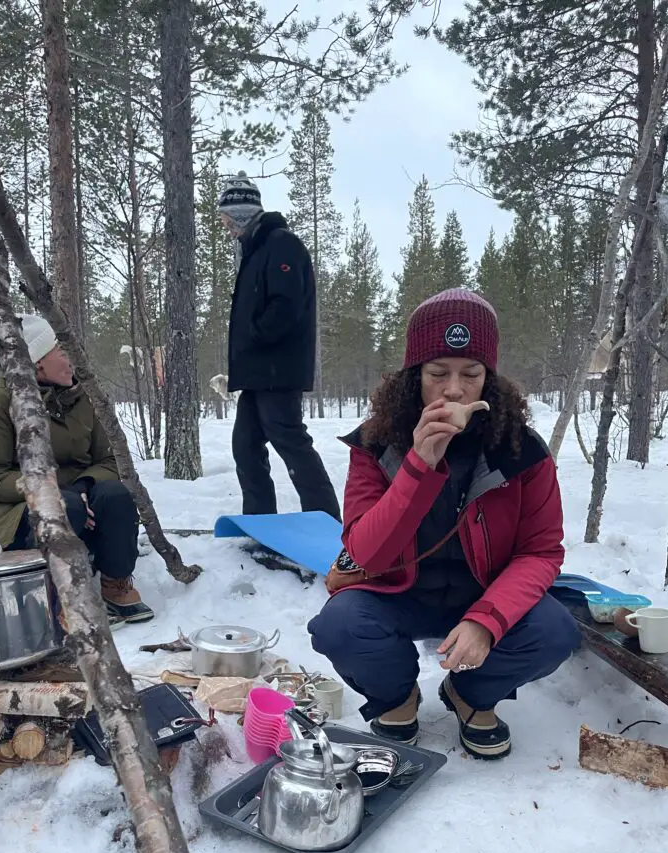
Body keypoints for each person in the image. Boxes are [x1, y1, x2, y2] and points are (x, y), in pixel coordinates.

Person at [307, 289, 580, 759]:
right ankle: (397, 698)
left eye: (470, 374)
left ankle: (469, 696)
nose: (453, 390)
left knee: (556, 631)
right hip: (398, 595)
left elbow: (541, 551)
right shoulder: (375, 445)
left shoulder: (522, 451)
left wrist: (488, 621)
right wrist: (418, 464)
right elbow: (365, 552)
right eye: (438, 374)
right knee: (340, 625)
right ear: (415, 378)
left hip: (482, 594)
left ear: (488, 382)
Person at [0, 314, 153, 627]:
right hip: (17, 512)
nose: (73, 359)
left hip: (80, 500)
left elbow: (110, 461)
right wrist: (45, 489)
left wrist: (84, 486)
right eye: (63, 352)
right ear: (39, 361)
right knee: (62, 507)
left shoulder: (84, 399)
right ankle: (54, 596)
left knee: (115, 494)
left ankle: (114, 584)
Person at [218, 171, 340, 521]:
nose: (226, 227)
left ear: (242, 214)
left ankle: (326, 521)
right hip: (258, 373)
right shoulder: (255, 249)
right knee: (245, 446)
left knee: (290, 442)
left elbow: (286, 305)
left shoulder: (282, 244)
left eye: (228, 219)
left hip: (277, 370)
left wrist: (256, 335)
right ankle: (260, 521)